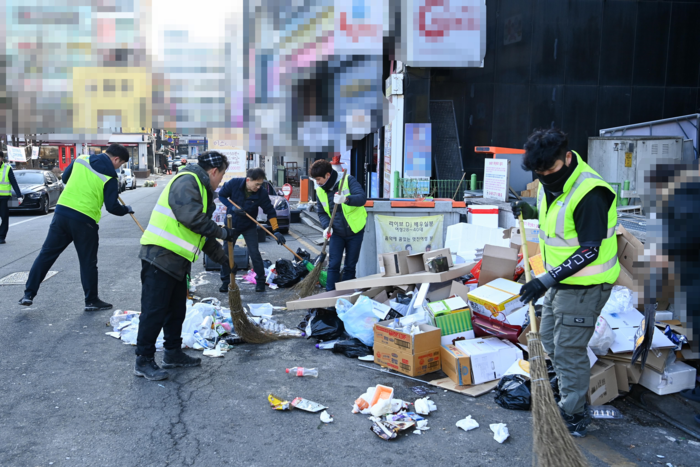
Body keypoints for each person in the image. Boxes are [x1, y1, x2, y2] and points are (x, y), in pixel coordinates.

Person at [511, 128, 619, 438]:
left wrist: (544, 280)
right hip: (562, 280)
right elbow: (557, 220)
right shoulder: (551, 180)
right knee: (548, 336)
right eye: (539, 171)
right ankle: (569, 386)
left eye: (551, 169)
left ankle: (573, 413)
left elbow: (589, 250)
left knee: (569, 348)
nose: (545, 176)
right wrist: (530, 210)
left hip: (587, 285)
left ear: (567, 158)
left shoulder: (590, 193)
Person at [135, 151, 234, 381]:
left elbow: (202, 236)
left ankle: (172, 353)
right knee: (154, 312)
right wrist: (223, 232)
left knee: (176, 311)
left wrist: (226, 262)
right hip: (159, 256)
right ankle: (143, 360)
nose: (221, 181)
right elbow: (192, 220)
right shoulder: (187, 181)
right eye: (222, 176)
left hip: (177, 261)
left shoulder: (201, 188)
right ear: (214, 171)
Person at [19, 144, 134, 311]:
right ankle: (91, 300)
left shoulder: (81, 159)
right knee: (87, 262)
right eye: (121, 164)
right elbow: (112, 208)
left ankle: (28, 294)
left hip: (62, 214)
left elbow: (65, 178)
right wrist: (126, 209)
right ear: (116, 159)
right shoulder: (110, 177)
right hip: (84, 220)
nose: (119, 167)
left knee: (46, 255)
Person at [217, 168, 286, 293]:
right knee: (226, 253)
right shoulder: (234, 184)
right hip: (231, 224)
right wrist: (232, 207)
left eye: (261, 184)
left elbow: (270, 211)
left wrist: (276, 231)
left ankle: (260, 282)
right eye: (257, 184)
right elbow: (221, 195)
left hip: (249, 225)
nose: (259, 187)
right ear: (248, 180)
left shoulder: (261, 193)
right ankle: (225, 281)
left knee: (254, 253)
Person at [309, 160, 367, 291]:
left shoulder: (348, 180)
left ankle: (345, 296)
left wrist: (346, 199)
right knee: (333, 265)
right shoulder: (320, 191)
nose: (317, 182)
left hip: (355, 231)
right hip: (336, 232)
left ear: (327, 175)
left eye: (318, 179)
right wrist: (325, 227)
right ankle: (330, 297)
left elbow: (362, 198)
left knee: (350, 266)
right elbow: (322, 212)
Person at [0, 156, 24, 244]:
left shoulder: (7, 168)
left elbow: (13, 182)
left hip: (4, 197)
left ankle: (1, 236)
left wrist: (19, 196)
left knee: (4, 217)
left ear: (1, 158)